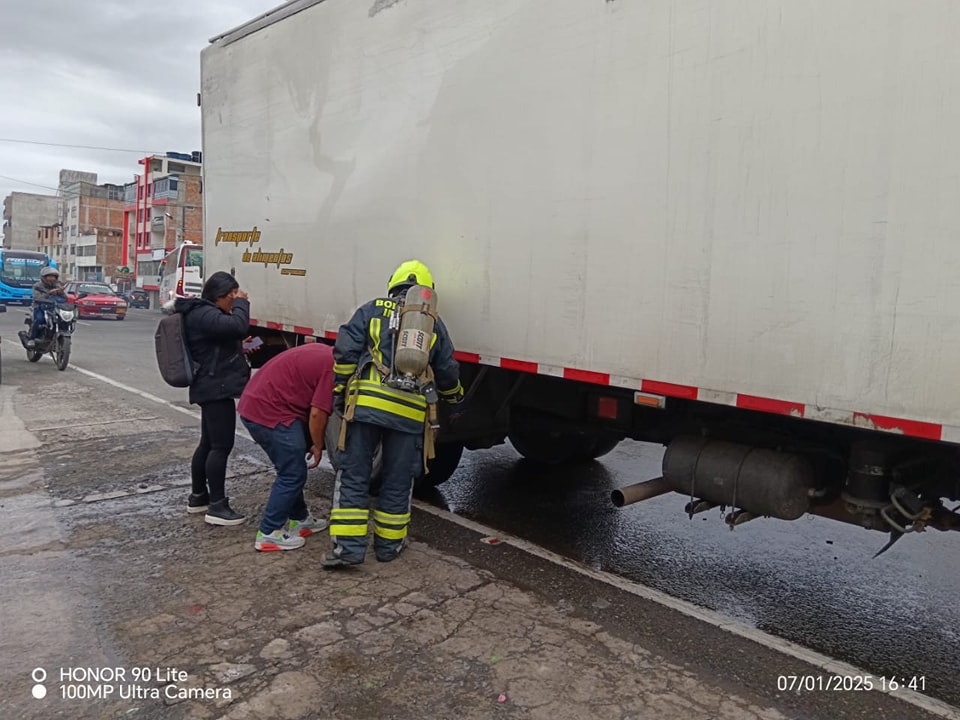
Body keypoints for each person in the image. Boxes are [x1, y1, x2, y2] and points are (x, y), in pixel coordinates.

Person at [324, 260, 463, 568]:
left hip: (367, 409)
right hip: (409, 416)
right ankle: (388, 547)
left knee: (354, 475)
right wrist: (456, 399)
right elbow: (447, 370)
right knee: (399, 481)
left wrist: (339, 390)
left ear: (393, 283)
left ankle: (347, 550)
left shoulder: (371, 310)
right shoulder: (431, 323)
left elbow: (346, 350)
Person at [238, 342, 335, 552]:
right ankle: (269, 534)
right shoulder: (333, 367)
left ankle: (299, 519)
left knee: (291, 468)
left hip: (257, 403)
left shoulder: (326, 352)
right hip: (269, 411)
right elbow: (318, 414)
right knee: (292, 473)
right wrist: (318, 446)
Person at [173, 271, 251, 526]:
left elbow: (221, 340)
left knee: (207, 443)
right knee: (220, 446)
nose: (233, 302)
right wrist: (242, 303)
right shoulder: (205, 313)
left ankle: (199, 497)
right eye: (231, 297)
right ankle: (217, 505)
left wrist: (243, 346)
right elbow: (238, 326)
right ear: (221, 295)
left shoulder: (201, 313)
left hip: (211, 384)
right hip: (216, 386)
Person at [26, 266, 66, 348]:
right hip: (40, 307)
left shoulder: (58, 285)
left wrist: (61, 293)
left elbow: (64, 299)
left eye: (53, 276)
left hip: (54, 308)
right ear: (44, 277)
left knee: (63, 320)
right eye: (49, 276)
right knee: (39, 320)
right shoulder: (37, 286)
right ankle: (32, 339)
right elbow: (37, 297)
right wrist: (49, 293)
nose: (52, 278)